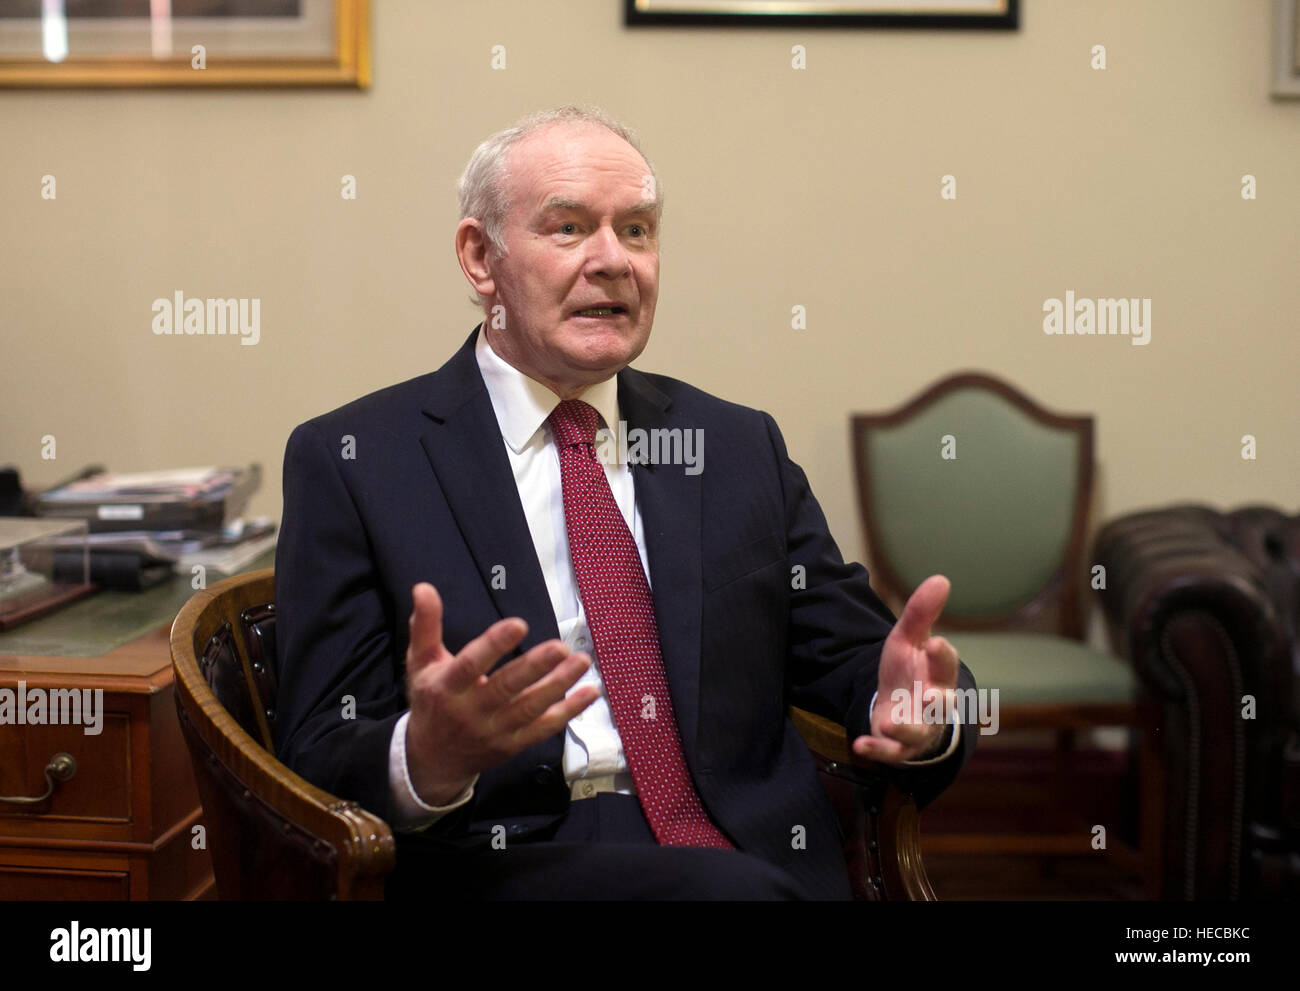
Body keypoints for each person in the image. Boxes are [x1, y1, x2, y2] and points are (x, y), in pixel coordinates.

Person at [272, 106, 978, 900]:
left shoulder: (737, 446)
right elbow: (316, 751)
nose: (614, 260)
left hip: (753, 853)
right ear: (480, 257)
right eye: (569, 227)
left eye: (637, 230)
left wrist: (921, 712)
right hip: (506, 860)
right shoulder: (358, 460)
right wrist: (428, 754)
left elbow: (865, 661)